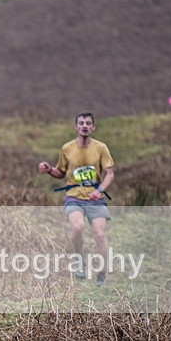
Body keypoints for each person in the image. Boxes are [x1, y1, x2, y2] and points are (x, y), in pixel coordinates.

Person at [39, 112, 115, 285]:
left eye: (88, 123)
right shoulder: (67, 148)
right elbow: (60, 172)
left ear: (93, 127)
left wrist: (100, 190)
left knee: (100, 234)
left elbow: (110, 174)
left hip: (95, 198)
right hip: (74, 197)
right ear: (76, 127)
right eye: (81, 123)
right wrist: (49, 169)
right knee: (78, 227)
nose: (85, 126)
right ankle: (79, 261)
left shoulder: (101, 148)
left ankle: (102, 273)